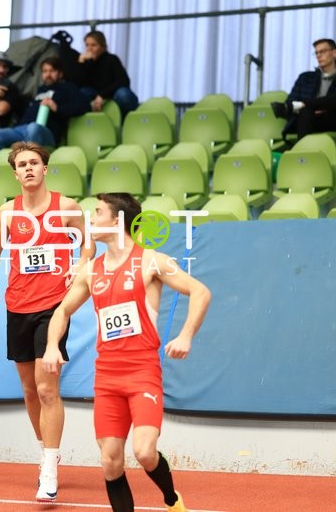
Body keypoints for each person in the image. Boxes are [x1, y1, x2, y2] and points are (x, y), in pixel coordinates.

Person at [42, 192, 211, 512]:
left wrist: (185, 336)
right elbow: (62, 312)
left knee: (145, 452)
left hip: (143, 372)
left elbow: (200, 291)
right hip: (107, 377)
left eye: (98, 212)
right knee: (110, 461)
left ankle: (172, 500)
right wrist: (51, 346)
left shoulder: (153, 261)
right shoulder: (91, 271)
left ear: (118, 221)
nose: (90, 218)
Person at [0, 141, 94, 502]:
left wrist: (79, 264)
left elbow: (88, 243)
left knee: (47, 389)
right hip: (17, 305)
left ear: (45, 169)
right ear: (15, 173)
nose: (28, 168)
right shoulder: (8, 212)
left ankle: (50, 467)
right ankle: (45, 449)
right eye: (22, 164)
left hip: (53, 307)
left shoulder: (67, 207)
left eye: (34, 163)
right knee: (30, 390)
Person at [0, 57, 90, 157]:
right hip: (23, 129)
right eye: (45, 71)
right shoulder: (41, 89)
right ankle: (4, 169)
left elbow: (85, 106)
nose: (48, 74)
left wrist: (57, 108)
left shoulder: (67, 88)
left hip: (46, 133)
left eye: (52, 71)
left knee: (33, 128)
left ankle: (27, 167)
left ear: (60, 73)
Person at [271, 38, 336, 140]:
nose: (318, 55)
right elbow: (290, 104)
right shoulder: (305, 78)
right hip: (307, 120)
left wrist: (324, 109)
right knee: (307, 111)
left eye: (322, 51)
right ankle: (303, 153)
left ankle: (305, 104)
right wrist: (310, 108)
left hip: (335, 122)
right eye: (316, 53)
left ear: (334, 53)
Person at [76, 30, 139, 117]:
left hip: (112, 93)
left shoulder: (112, 59)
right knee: (80, 94)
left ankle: (127, 121)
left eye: (93, 45)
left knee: (123, 95)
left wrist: (102, 95)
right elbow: (78, 84)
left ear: (103, 47)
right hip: (95, 93)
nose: (89, 49)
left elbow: (123, 81)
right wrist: (81, 63)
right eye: (87, 45)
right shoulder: (87, 63)